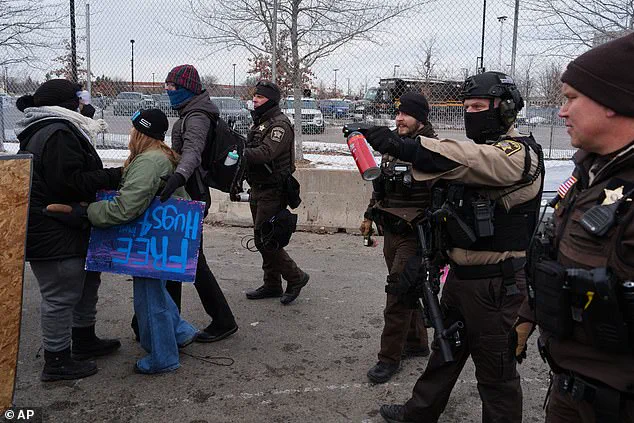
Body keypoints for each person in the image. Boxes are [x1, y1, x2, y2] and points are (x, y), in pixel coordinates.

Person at [365, 71, 544, 423]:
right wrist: (426, 260)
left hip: (497, 285)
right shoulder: (477, 152)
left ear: (505, 108)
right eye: (467, 107)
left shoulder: (518, 154)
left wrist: (402, 145)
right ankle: (419, 413)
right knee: (444, 353)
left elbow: (463, 159)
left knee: (496, 376)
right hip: (461, 279)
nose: (470, 113)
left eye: (478, 106)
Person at [518, 33, 634, 422]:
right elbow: (556, 256)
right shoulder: (589, 174)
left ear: (612, 102)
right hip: (570, 389)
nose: (562, 112)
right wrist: (528, 315)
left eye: (570, 98)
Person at [15, 79, 122, 382]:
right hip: (52, 228)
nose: (84, 104)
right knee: (60, 295)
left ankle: (84, 340)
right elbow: (69, 183)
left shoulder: (54, 128)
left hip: (68, 224)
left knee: (86, 283)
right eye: (79, 99)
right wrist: (114, 176)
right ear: (67, 104)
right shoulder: (57, 133)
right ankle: (57, 360)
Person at [84, 109, 199, 374]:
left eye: (133, 128)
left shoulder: (148, 162)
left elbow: (127, 207)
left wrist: (89, 211)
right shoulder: (159, 155)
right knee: (155, 290)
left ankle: (163, 357)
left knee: (149, 297)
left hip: (151, 241)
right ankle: (180, 332)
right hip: (161, 239)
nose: (130, 133)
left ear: (141, 133)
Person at [147, 64, 238, 343]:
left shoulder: (197, 116)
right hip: (189, 192)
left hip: (191, 193)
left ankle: (221, 320)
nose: (168, 91)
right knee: (179, 256)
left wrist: (178, 177)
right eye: (166, 86)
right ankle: (171, 321)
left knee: (191, 259)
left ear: (186, 88)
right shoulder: (191, 111)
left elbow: (192, 153)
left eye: (172, 87)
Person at [360, 92, 433, 384]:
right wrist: (369, 215)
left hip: (414, 234)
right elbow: (380, 185)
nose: (399, 119)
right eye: (398, 113)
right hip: (391, 228)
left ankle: (389, 358)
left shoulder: (430, 148)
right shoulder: (391, 145)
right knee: (406, 289)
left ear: (421, 118)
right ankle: (417, 342)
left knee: (397, 293)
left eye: (406, 114)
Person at [243, 80, 309, 305]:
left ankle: (296, 276)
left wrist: (240, 151)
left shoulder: (279, 125)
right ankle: (272, 284)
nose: (255, 100)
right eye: (254, 96)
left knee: (266, 239)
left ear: (270, 100)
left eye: (260, 97)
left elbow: (265, 153)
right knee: (262, 237)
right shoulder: (261, 122)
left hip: (273, 189)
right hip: (259, 187)